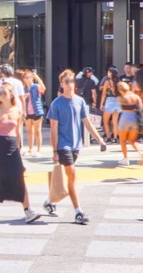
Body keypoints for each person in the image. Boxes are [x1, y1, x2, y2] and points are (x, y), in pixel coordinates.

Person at [43, 69, 107, 224]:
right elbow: (53, 129)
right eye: (67, 82)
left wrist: (99, 139)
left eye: (72, 81)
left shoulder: (79, 101)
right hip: (63, 145)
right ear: (61, 84)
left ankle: (49, 201)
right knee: (72, 175)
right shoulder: (56, 104)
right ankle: (78, 212)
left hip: (76, 145)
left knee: (69, 178)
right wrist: (54, 150)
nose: (70, 84)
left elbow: (87, 122)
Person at [0, 84, 40, 223]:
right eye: (0, 92)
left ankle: (27, 211)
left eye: (4, 92)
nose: (2, 94)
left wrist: (20, 150)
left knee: (19, 175)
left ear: (11, 94)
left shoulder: (17, 111)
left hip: (13, 146)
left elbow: (18, 132)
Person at [114, 81, 143, 167]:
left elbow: (118, 106)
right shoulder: (136, 97)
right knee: (132, 140)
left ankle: (125, 158)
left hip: (125, 117)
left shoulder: (121, 98)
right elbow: (141, 107)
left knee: (122, 140)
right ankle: (141, 153)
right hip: (134, 118)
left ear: (120, 89)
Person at [23, 70, 46, 156]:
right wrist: (24, 97)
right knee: (29, 131)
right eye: (26, 77)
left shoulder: (36, 86)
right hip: (27, 112)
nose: (27, 79)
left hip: (37, 112)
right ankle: (30, 149)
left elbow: (43, 89)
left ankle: (39, 150)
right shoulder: (24, 88)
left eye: (29, 77)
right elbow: (20, 99)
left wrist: (38, 78)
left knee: (37, 131)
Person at [98, 67, 121, 144]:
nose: (107, 73)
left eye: (108, 72)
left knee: (105, 121)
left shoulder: (107, 82)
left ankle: (108, 137)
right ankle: (115, 138)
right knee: (115, 121)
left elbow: (104, 94)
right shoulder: (119, 82)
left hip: (110, 101)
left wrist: (101, 104)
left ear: (111, 73)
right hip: (118, 101)